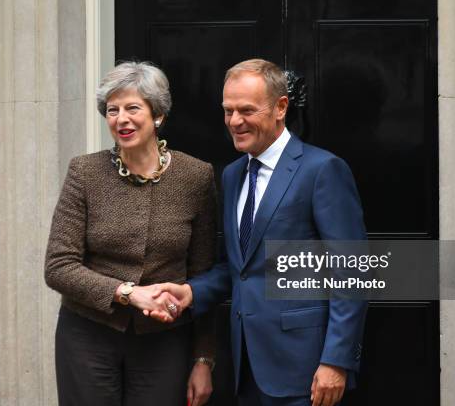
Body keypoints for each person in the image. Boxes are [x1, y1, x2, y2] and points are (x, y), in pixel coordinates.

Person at [150, 59, 368, 406]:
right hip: (246, 368)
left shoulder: (322, 170)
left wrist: (336, 360)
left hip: (307, 372)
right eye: (228, 111)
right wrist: (190, 293)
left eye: (247, 110)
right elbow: (239, 268)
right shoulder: (233, 175)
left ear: (281, 107)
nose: (235, 122)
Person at [44, 61, 215, 406]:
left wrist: (204, 359)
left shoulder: (196, 176)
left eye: (133, 108)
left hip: (165, 341)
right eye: (112, 110)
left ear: (158, 115)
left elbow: (203, 275)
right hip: (88, 335)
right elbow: (58, 266)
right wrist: (127, 293)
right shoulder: (84, 172)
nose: (121, 119)